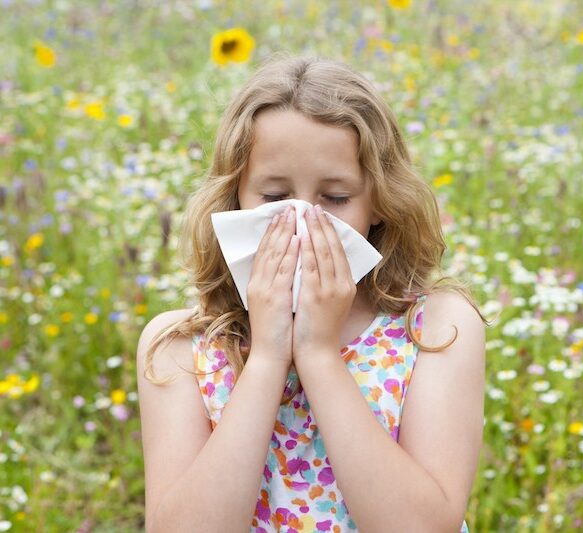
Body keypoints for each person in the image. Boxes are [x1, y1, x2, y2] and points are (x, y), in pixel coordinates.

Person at [136, 53, 490, 532]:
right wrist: (265, 359)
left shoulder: (435, 328)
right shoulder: (180, 348)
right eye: (275, 197)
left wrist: (319, 354)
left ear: (380, 201)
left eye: (336, 198)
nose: (303, 221)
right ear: (235, 195)